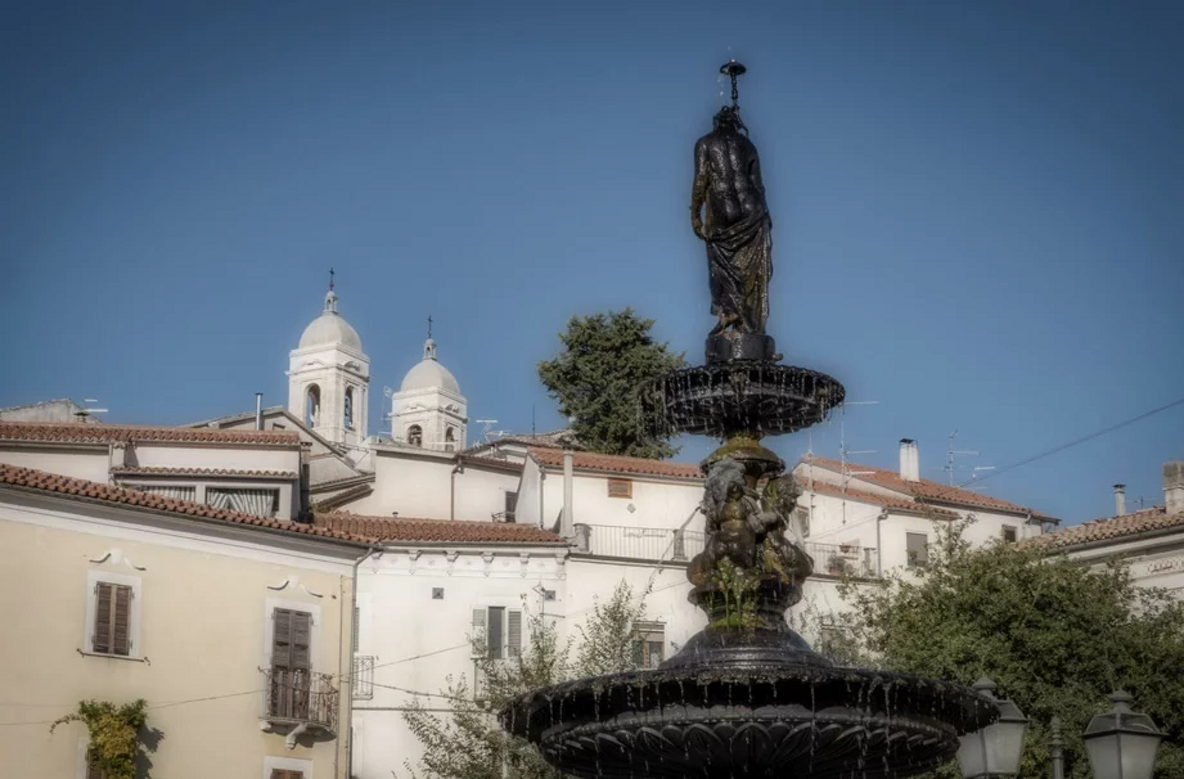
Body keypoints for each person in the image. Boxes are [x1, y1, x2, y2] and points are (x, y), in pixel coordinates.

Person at [690, 105, 773, 336]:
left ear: (716, 123)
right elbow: (758, 185)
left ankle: (729, 312)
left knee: (719, 261)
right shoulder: (748, 145)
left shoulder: (705, 143)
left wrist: (695, 215)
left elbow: (700, 180)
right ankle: (749, 321)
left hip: (722, 207)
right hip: (753, 209)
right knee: (750, 268)